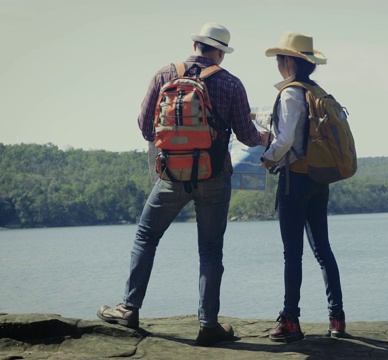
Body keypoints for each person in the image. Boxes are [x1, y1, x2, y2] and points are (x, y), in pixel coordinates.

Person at [97, 22, 269, 346]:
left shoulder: (164, 74)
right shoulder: (231, 83)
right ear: (220, 52)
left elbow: (146, 128)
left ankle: (129, 308)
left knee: (146, 236)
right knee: (210, 250)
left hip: (171, 176)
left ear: (195, 45)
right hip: (214, 175)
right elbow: (247, 136)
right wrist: (268, 137)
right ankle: (208, 325)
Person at [258, 31, 346, 343]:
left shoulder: (290, 93)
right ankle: (337, 318)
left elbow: (285, 141)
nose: (278, 64)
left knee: (292, 252)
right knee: (323, 249)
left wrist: (267, 159)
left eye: (280, 59)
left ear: (289, 62)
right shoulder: (316, 91)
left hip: (294, 179)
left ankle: (290, 320)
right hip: (319, 179)